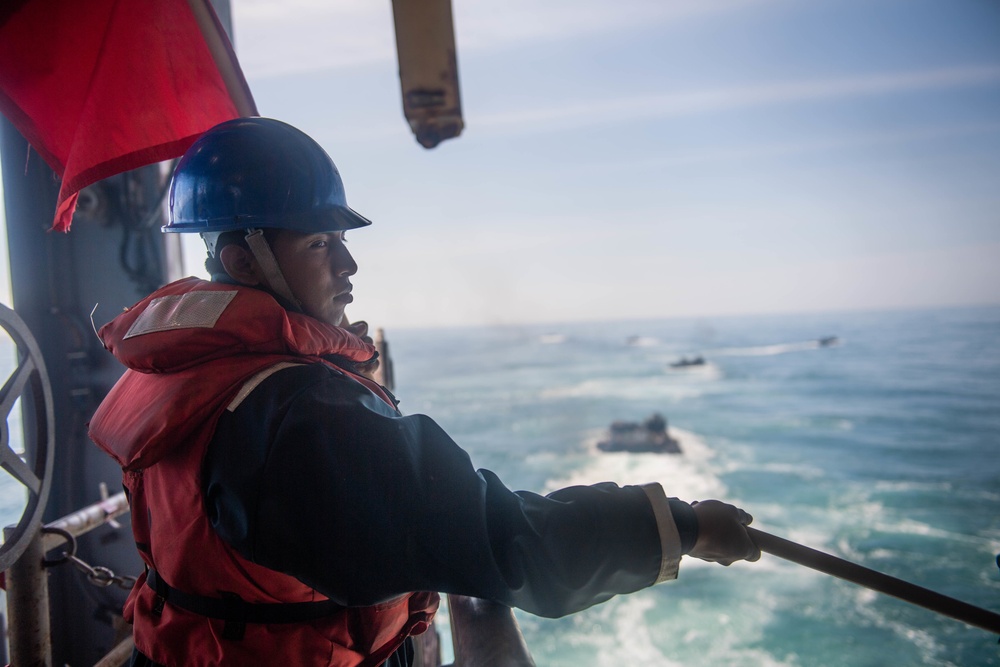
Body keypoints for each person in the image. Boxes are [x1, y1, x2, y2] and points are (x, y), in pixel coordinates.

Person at [89, 117, 760, 667]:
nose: (350, 264)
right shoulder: (297, 417)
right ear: (244, 261)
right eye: (322, 242)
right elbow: (510, 544)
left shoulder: (188, 373)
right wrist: (686, 526)